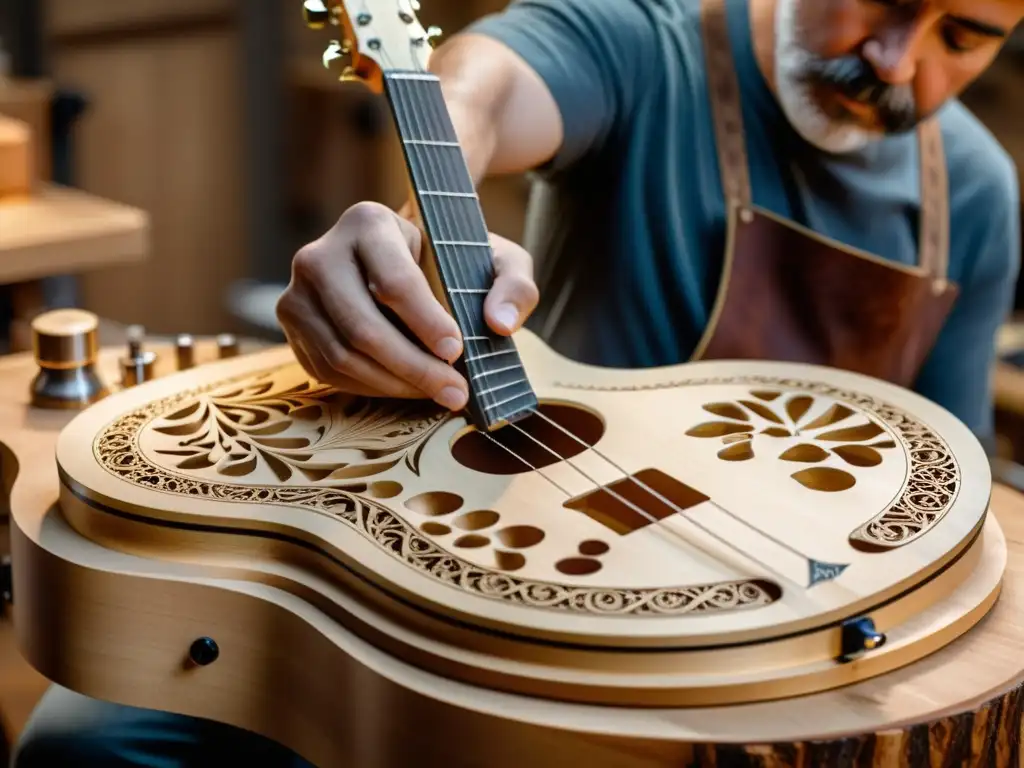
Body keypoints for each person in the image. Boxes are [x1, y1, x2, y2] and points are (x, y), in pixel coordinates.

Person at [13, 0, 1023, 765]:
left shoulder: (973, 191)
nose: (898, 61)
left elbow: (953, 476)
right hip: (490, 550)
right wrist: (408, 232)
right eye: (886, 1)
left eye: (963, 38)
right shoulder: (649, 43)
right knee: (89, 743)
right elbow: (483, 86)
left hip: (772, 634)